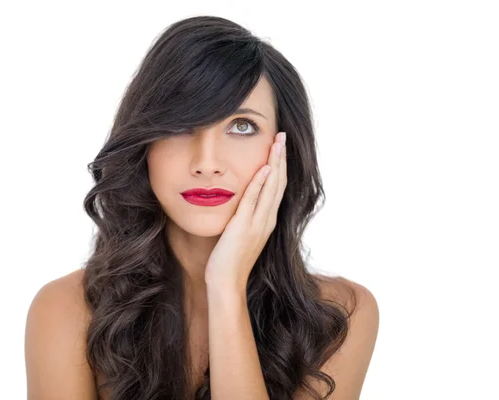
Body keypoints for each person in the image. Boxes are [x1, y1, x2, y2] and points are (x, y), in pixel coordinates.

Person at [25, 15, 379, 400]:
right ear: (145, 144)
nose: (207, 162)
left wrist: (226, 286)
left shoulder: (340, 314)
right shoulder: (66, 311)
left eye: (242, 126)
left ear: (284, 149)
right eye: (180, 125)